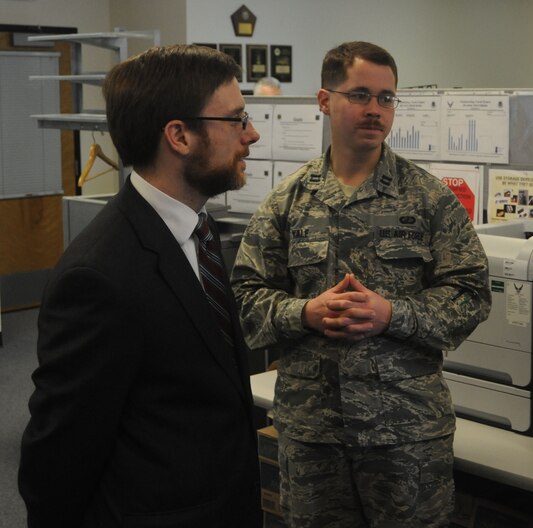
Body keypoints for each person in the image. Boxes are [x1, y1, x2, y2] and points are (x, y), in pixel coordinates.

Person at [232, 41, 491, 527]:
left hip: (407, 431)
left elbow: (471, 294)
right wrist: (304, 313)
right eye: (360, 95)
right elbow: (245, 300)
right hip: (313, 432)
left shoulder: (428, 199)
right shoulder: (288, 201)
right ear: (325, 101)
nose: (376, 110)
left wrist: (393, 314)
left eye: (387, 98)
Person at [19, 44, 262, 528]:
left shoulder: (198, 230)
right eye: (236, 119)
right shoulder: (99, 276)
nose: (251, 134)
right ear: (179, 135)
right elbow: (59, 456)